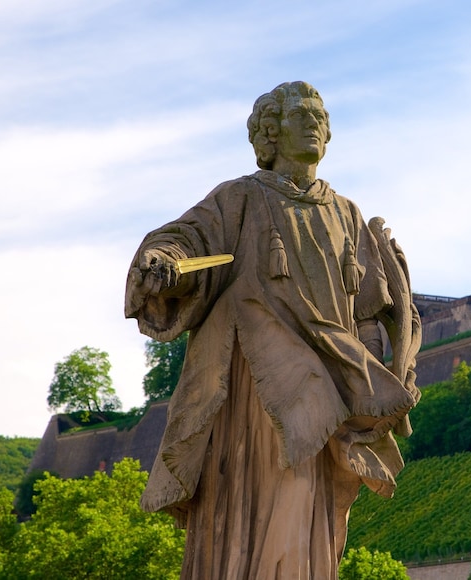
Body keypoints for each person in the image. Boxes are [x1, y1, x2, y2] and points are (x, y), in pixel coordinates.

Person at [125, 81, 421, 579]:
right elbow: (185, 240)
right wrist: (164, 262)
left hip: (329, 389)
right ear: (269, 133)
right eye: (300, 114)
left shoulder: (345, 212)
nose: (313, 122)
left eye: (320, 116)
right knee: (261, 503)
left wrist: (375, 385)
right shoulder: (239, 198)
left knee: (315, 520)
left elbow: (368, 313)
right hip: (255, 392)